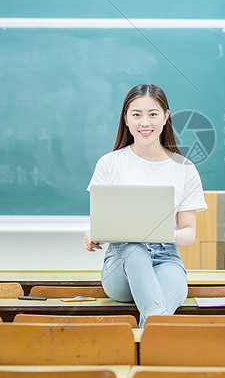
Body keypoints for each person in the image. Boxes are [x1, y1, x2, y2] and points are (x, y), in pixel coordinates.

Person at [83, 84, 207, 327]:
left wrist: (161, 234)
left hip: (166, 259)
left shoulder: (185, 168)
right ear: (126, 119)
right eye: (136, 114)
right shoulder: (109, 163)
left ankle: (144, 346)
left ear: (166, 118)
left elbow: (189, 234)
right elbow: (101, 221)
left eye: (153, 114)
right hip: (120, 261)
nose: (144, 122)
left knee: (156, 311)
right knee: (134, 250)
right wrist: (92, 234)